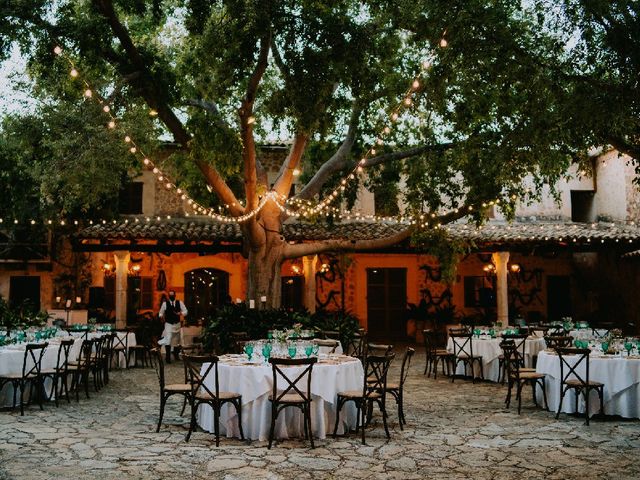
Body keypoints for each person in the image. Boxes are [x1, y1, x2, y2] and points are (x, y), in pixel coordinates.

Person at [158, 290, 188, 363]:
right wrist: (161, 316)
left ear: (175, 295)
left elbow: (186, 311)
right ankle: (168, 357)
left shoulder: (179, 302)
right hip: (168, 324)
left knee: (176, 340)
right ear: (169, 296)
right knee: (168, 339)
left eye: (172, 295)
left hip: (177, 324)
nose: (171, 296)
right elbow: (160, 313)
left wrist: (180, 313)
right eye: (170, 295)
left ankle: (176, 355)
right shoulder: (165, 304)